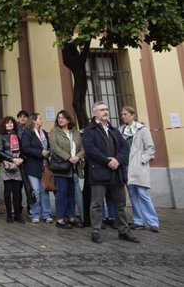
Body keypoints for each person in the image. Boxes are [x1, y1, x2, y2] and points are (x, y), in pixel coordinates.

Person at [83, 101, 139, 244]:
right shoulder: (90, 131)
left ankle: (124, 231)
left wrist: (117, 160)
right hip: (99, 172)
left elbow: (125, 148)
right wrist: (107, 160)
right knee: (96, 204)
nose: (106, 112)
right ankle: (96, 231)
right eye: (102, 110)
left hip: (116, 172)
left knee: (120, 204)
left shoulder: (114, 130)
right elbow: (91, 150)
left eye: (107, 109)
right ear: (95, 113)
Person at [119, 106, 159, 232]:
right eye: (122, 114)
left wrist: (142, 159)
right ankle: (138, 220)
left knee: (143, 193)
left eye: (125, 114)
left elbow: (150, 148)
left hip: (139, 166)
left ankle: (153, 221)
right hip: (126, 166)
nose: (123, 116)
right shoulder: (121, 130)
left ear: (132, 115)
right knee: (132, 194)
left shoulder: (142, 130)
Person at [48, 110, 83, 229]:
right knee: (61, 192)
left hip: (74, 166)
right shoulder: (54, 132)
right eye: (59, 118)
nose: (60, 120)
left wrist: (78, 156)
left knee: (71, 192)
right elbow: (54, 147)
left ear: (69, 119)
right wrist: (68, 157)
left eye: (63, 117)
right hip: (61, 166)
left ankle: (71, 216)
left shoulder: (76, 132)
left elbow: (83, 147)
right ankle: (60, 219)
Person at [21, 113, 53, 223]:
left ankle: (47, 214)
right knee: (36, 191)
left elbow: (48, 146)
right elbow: (26, 148)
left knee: (45, 190)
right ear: (34, 121)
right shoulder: (27, 133)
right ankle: (35, 214)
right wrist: (40, 152)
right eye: (40, 118)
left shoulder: (43, 132)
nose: (41, 120)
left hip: (44, 166)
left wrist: (48, 151)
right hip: (32, 166)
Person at [0, 116, 25, 223]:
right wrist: (11, 159)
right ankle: (9, 214)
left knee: (17, 191)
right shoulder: (1, 136)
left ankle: (18, 214)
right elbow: (0, 151)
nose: (9, 125)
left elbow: (22, 149)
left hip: (18, 165)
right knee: (8, 190)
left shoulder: (17, 136)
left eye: (11, 123)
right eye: (7, 123)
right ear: (4, 125)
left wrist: (20, 160)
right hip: (6, 165)